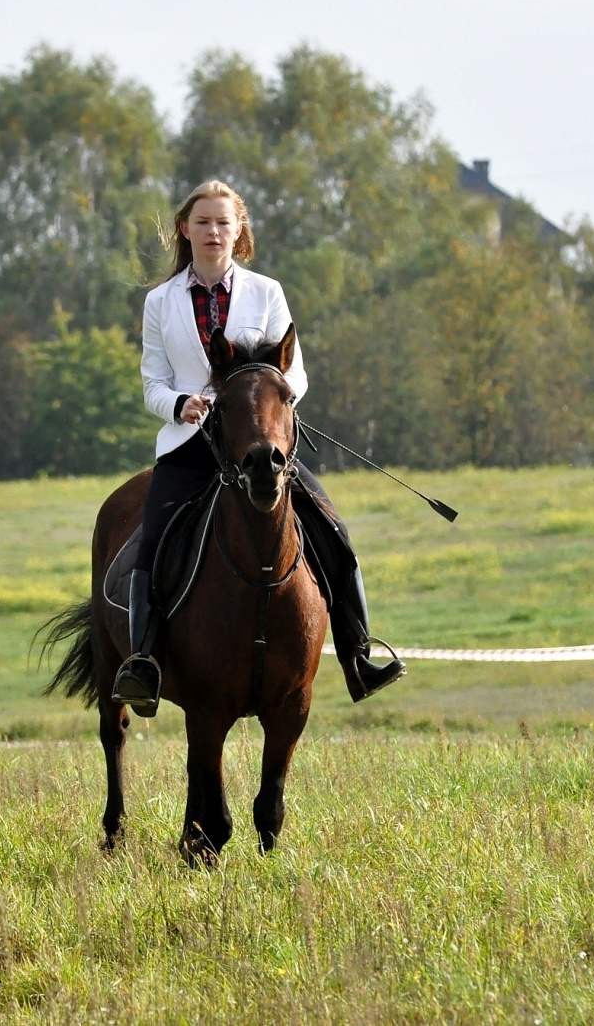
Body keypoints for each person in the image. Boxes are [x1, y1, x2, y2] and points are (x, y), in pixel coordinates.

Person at [110, 180, 406, 716]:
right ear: (185, 229)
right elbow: (153, 382)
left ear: (238, 230)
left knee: (333, 531)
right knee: (151, 544)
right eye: (203, 222)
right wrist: (179, 404)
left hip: (258, 444)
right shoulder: (160, 301)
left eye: (223, 222)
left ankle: (359, 656)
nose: (213, 231)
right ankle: (144, 663)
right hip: (190, 445)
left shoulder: (267, 292)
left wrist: (270, 402)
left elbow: (295, 372)